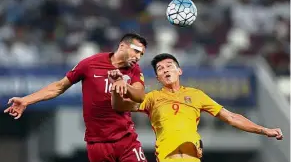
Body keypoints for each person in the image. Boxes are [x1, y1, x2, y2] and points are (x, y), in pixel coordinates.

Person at [111, 53, 284, 162]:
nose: (165, 70)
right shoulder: (152, 98)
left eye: (169, 65)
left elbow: (231, 117)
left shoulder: (196, 95)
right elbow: (120, 106)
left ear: (179, 71)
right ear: (157, 78)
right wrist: (117, 88)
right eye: (160, 69)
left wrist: (264, 130)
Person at [4, 33, 148, 162]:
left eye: (141, 54)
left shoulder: (134, 70)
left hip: (126, 139)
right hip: (97, 144)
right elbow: (59, 87)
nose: (138, 57)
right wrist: (26, 100)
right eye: (136, 51)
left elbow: (140, 95)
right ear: (122, 46)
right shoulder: (90, 64)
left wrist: (123, 84)